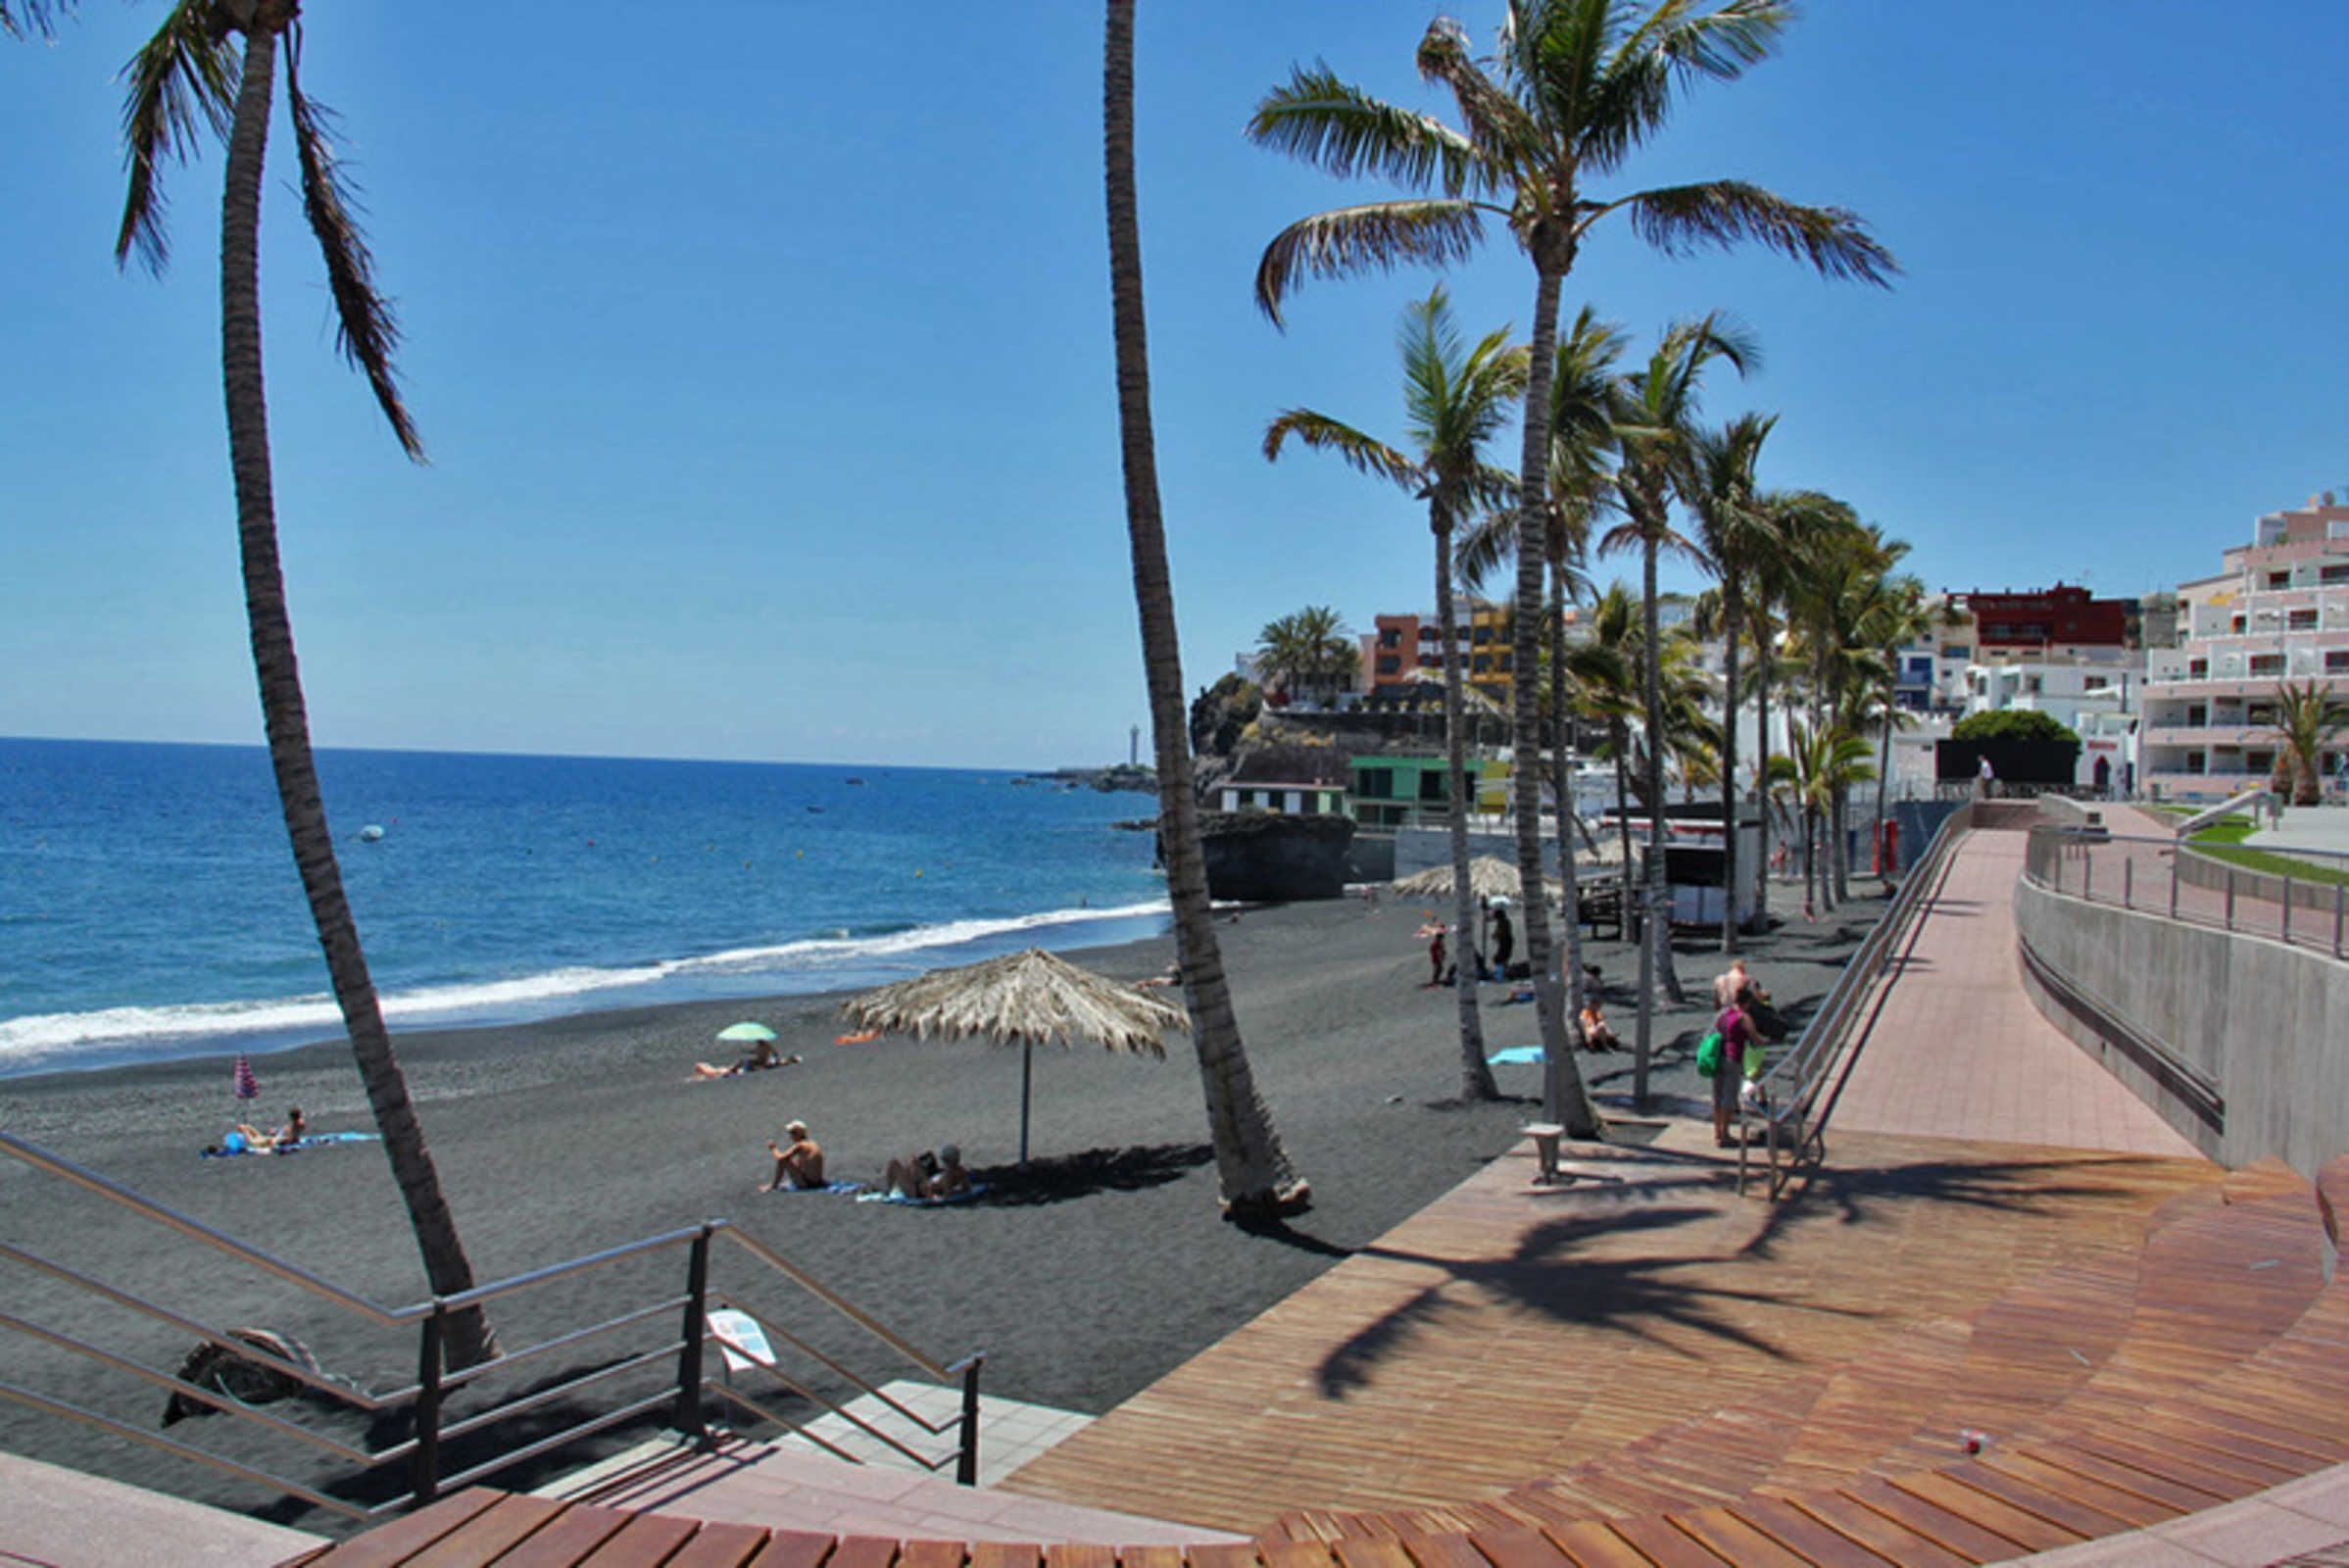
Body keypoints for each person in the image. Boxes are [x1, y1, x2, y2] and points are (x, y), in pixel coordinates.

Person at [1712, 985, 1766, 1148]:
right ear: (1747, 1002)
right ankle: (1726, 1133)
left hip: (1718, 1056)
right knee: (1729, 1095)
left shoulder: (1723, 1014)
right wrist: (1762, 1043)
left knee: (1718, 1095)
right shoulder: (1743, 1017)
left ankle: (1717, 1132)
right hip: (1733, 1057)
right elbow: (1755, 1038)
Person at [883, 1144, 973, 1200]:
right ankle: (910, 1170)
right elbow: (967, 1188)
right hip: (925, 1186)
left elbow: (945, 1195)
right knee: (914, 1164)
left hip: (917, 1192)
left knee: (894, 1164)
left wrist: (932, 1197)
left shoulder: (948, 1174)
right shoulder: (961, 1171)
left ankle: (887, 1192)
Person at [762, 1120, 826, 1191]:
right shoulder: (812, 1143)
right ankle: (777, 1184)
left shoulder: (800, 1145)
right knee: (795, 1160)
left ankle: (774, 1185)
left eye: (791, 1133)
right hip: (817, 1182)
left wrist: (773, 1149)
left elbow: (780, 1158)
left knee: (783, 1161)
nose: (790, 1136)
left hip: (808, 1184)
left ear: (797, 1134)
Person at [694, 1039, 801, 1078]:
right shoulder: (766, 1046)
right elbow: (775, 1054)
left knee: (741, 1063)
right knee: (738, 1064)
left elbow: (764, 1054)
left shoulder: (764, 1047)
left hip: (761, 1062)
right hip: (763, 1061)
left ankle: (730, 1070)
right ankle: (728, 1070)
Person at [1489, 899, 1515, 977]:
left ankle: (1502, 974)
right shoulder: (1503, 922)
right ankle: (1504, 972)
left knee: (1500, 958)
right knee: (1502, 958)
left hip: (1506, 942)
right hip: (1506, 942)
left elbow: (1502, 932)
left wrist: (1496, 935)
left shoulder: (1504, 922)